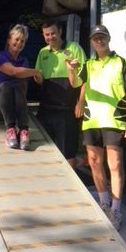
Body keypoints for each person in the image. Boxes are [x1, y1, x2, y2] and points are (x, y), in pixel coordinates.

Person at [67, 24, 126, 230]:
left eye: (102, 37)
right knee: (94, 162)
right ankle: (104, 204)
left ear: (108, 38)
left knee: (115, 165)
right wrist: (71, 71)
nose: (99, 40)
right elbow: (74, 83)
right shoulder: (88, 65)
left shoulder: (121, 63)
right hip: (92, 121)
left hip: (115, 120)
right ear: (91, 41)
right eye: (95, 38)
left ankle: (116, 209)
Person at [34, 20, 86, 166]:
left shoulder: (74, 48)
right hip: (45, 110)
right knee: (44, 154)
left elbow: (86, 79)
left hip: (67, 112)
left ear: (60, 31)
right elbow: (39, 79)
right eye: (47, 35)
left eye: (53, 33)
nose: (50, 37)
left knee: (67, 157)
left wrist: (81, 102)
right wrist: (35, 77)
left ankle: (70, 187)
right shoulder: (42, 52)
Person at [0, 24, 41, 150]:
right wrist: (36, 72)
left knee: (19, 87)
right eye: (16, 39)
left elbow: (24, 88)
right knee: (6, 85)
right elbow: (13, 72)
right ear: (9, 40)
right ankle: (10, 129)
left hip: (15, 110)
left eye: (22, 41)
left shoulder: (24, 61)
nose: (19, 43)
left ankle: (23, 131)